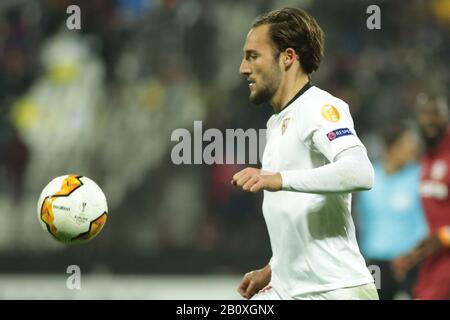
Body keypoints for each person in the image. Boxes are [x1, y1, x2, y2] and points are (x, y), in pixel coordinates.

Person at [231, 7, 378, 300]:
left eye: (252, 56)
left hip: (335, 290)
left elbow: (360, 171)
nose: (243, 68)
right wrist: (274, 268)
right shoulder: (279, 122)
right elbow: (301, 214)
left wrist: (278, 178)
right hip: (290, 289)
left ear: (288, 57)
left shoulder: (320, 108)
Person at [355, 121, 428, 300]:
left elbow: (427, 219)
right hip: (375, 261)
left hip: (409, 261)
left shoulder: (420, 175)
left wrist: (414, 254)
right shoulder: (369, 177)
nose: (412, 152)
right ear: (392, 147)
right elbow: (359, 219)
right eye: (406, 146)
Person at [392, 93, 450, 300]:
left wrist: (443, 237)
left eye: (437, 114)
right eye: (425, 114)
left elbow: (443, 233)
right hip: (436, 259)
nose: (430, 121)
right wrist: (414, 254)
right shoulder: (425, 159)